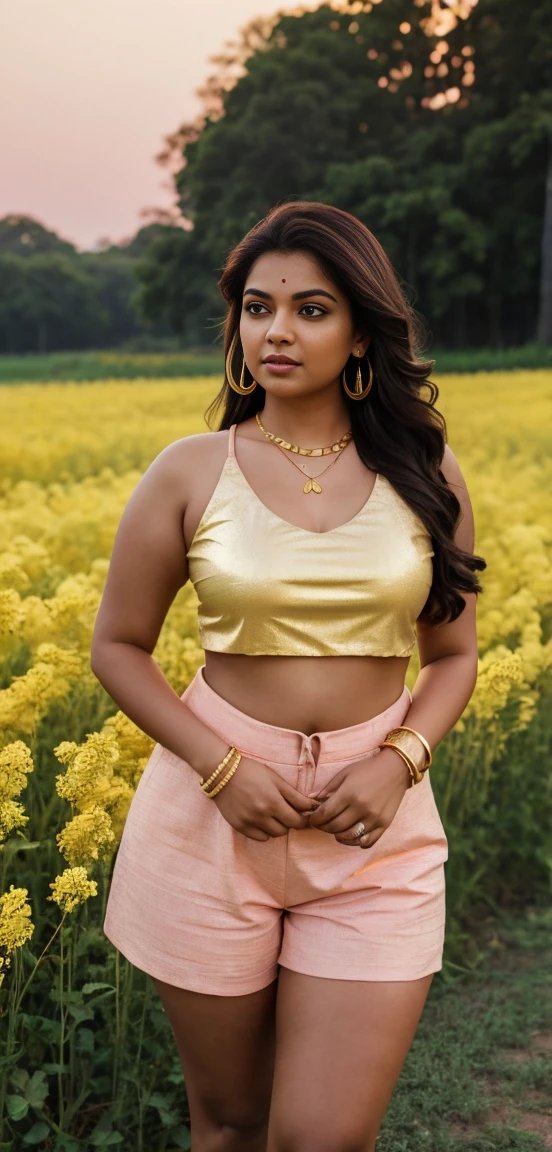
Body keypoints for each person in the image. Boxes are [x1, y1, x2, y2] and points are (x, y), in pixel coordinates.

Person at [91, 200, 485, 1152]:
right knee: (228, 1124)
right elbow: (119, 647)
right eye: (258, 307)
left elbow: (455, 656)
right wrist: (222, 768)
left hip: (376, 830)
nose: (276, 329)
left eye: (311, 308)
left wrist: (399, 761)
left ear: (359, 331)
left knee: (320, 1138)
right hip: (210, 820)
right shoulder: (189, 471)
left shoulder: (428, 473)